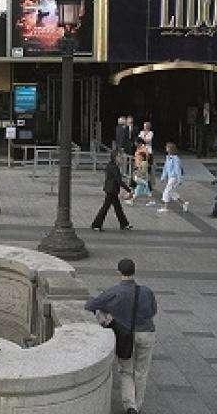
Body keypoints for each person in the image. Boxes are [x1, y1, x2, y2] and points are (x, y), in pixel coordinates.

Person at [85, 259, 157, 414]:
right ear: (134, 272)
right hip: (147, 333)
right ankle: (138, 404)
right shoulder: (146, 291)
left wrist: (111, 312)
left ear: (119, 272)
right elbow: (153, 311)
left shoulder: (114, 291)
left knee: (126, 370)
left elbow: (91, 305)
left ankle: (130, 406)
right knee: (141, 371)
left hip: (127, 336)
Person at [92, 151, 133, 231]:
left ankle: (124, 224)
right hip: (112, 189)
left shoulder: (111, 165)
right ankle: (96, 224)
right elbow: (119, 180)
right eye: (119, 157)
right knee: (106, 207)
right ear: (115, 157)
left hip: (111, 189)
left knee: (117, 208)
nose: (121, 158)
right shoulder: (113, 167)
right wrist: (128, 189)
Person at [159, 142, 189, 213]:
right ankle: (184, 203)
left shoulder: (175, 158)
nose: (166, 148)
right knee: (172, 192)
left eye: (167, 147)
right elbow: (165, 168)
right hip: (171, 177)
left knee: (166, 191)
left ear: (171, 149)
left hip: (174, 177)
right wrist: (163, 177)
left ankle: (165, 207)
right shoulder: (168, 157)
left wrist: (179, 179)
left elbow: (177, 169)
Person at [137, 121, 154, 190]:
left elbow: (148, 140)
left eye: (146, 126)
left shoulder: (151, 133)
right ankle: (142, 184)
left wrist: (143, 139)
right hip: (142, 151)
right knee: (141, 167)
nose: (145, 127)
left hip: (149, 151)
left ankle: (149, 185)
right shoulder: (141, 132)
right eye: (144, 126)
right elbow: (139, 140)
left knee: (148, 168)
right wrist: (143, 139)